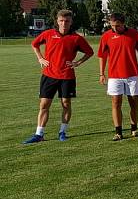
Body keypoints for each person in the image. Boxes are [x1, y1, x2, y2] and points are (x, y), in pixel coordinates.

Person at [24, 9, 94, 144]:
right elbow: (34, 44)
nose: (64, 23)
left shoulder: (76, 38)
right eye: (61, 21)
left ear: (71, 22)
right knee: (44, 104)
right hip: (49, 75)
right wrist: (40, 58)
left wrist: (78, 62)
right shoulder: (49, 34)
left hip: (67, 76)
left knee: (66, 104)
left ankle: (62, 132)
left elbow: (89, 52)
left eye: (67, 21)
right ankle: (39, 134)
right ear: (57, 21)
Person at [98, 13, 138, 141]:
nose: (115, 28)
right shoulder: (106, 36)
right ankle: (118, 132)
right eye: (112, 26)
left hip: (132, 74)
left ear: (124, 23)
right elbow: (102, 56)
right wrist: (102, 73)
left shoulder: (134, 34)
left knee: (133, 103)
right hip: (114, 76)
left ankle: (134, 129)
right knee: (115, 103)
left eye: (117, 26)